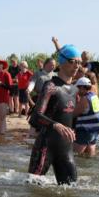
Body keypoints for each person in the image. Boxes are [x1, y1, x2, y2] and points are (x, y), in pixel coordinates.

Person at [28, 44, 81, 185]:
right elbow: (35, 117)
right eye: (73, 61)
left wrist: (74, 132)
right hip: (46, 146)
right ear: (62, 62)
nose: (77, 65)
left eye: (79, 62)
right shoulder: (51, 86)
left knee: (71, 192)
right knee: (33, 191)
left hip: (65, 148)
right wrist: (55, 125)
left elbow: (71, 117)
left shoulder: (75, 90)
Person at [72, 76, 99, 157]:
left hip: (87, 129)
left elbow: (74, 114)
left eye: (77, 88)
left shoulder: (85, 99)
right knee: (90, 154)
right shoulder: (94, 96)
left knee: (76, 154)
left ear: (83, 88)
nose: (76, 90)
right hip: (96, 129)